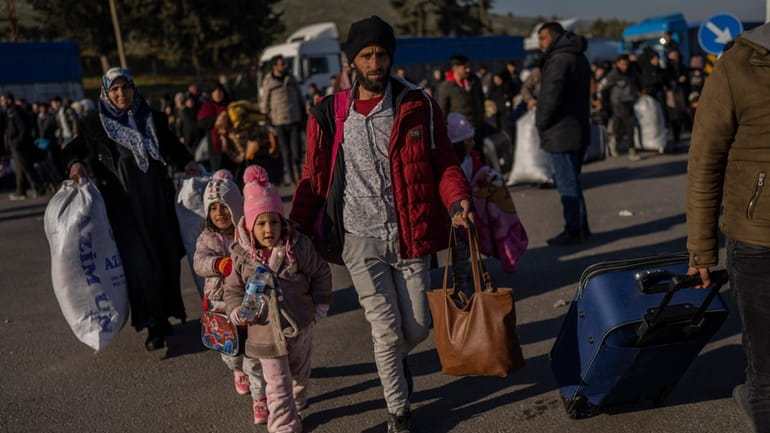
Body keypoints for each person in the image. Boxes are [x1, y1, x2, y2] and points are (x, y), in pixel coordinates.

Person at [290, 16, 473, 433]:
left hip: (411, 234)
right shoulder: (330, 113)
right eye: (366, 55)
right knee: (386, 330)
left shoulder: (417, 104)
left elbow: (442, 159)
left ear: (390, 56)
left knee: (418, 327)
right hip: (359, 238)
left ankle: (394, 364)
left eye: (381, 54)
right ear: (352, 62)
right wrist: (293, 226)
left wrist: (458, 199)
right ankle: (399, 412)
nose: (375, 62)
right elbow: (313, 177)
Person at [65, 67, 200, 350]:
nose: (121, 94)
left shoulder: (150, 117)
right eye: (114, 89)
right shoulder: (95, 125)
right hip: (123, 207)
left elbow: (173, 146)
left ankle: (165, 316)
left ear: (133, 89)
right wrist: (75, 164)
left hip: (156, 201)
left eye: (125, 88)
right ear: (106, 93)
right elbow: (72, 151)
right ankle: (151, 323)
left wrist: (185, 161)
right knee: (140, 265)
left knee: (165, 259)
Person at [686, 23, 770, 433]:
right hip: (758, 240)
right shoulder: (739, 65)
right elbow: (704, 162)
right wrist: (701, 249)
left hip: (756, 238)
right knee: (768, 368)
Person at [225, 165, 332, 432]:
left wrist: (320, 305)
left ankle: (297, 401)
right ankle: (284, 426)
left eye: (274, 221)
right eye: (260, 222)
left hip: (300, 325)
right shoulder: (241, 255)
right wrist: (235, 308)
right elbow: (232, 289)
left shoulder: (297, 246)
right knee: (277, 385)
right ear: (250, 225)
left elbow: (320, 272)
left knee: (299, 377)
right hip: (264, 333)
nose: (268, 228)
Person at [193, 169, 266, 404]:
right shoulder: (206, 237)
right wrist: (217, 263)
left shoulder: (245, 234)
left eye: (224, 206)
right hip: (218, 303)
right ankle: (238, 370)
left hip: (247, 299)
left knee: (253, 353)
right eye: (213, 208)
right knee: (230, 353)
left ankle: (260, 399)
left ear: (235, 206)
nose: (219, 213)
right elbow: (199, 262)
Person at [535, 22, 591, 246]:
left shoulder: (558, 60)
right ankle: (581, 227)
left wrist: (541, 122)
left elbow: (551, 95)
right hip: (577, 128)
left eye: (542, 38)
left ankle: (574, 229)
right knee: (573, 182)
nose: (540, 44)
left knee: (567, 183)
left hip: (561, 131)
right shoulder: (578, 56)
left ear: (553, 37)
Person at [260, 54, 305, 186]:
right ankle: (291, 179)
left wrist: (303, 110)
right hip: (279, 121)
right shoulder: (269, 81)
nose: (284, 66)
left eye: (284, 63)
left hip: (294, 119)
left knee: (297, 151)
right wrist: (267, 123)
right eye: (281, 64)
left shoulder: (291, 78)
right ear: (274, 67)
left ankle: (299, 176)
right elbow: (265, 103)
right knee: (285, 152)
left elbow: (299, 95)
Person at [1, 92, 45, 200]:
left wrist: (16, 142)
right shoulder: (11, 112)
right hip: (17, 146)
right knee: (20, 169)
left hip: (21, 147)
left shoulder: (16, 112)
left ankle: (39, 189)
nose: (1, 103)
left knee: (27, 168)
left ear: (9, 100)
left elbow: (23, 130)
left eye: (2, 100)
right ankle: (21, 191)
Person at [603, 54, 639, 159]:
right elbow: (603, 86)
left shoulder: (631, 72)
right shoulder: (613, 75)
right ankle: (631, 150)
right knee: (629, 125)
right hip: (618, 103)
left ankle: (613, 143)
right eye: (622, 64)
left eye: (626, 64)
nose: (624, 66)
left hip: (630, 101)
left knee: (619, 128)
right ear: (617, 64)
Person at [438, 54, 485, 130]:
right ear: (455, 68)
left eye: (469, 67)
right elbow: (442, 110)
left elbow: (481, 99)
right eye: (465, 67)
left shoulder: (474, 81)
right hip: (459, 130)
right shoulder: (447, 86)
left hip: (477, 127)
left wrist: (482, 116)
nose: (468, 70)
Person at [197, 83, 230, 172]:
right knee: (218, 170)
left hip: (231, 144)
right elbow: (201, 123)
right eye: (215, 91)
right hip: (215, 144)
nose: (218, 93)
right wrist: (218, 120)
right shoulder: (207, 106)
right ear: (211, 94)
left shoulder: (230, 106)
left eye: (220, 91)